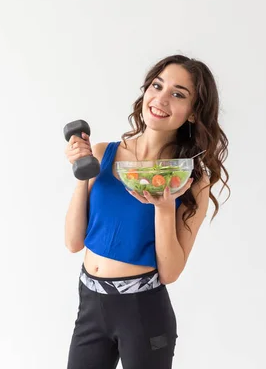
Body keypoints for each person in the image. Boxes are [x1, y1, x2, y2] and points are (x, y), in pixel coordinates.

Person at [64, 54, 230, 369]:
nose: (162, 98)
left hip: (142, 313)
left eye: (178, 94)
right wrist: (81, 174)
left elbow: (170, 273)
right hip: (89, 305)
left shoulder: (192, 181)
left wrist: (164, 209)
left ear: (193, 113)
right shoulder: (103, 154)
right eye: (158, 85)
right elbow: (73, 242)